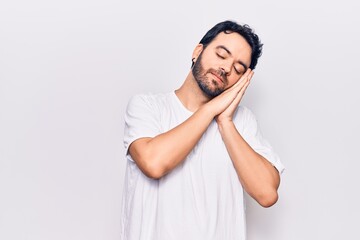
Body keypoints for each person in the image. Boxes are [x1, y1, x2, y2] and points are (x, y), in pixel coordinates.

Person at [120, 20, 285, 240]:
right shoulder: (148, 107)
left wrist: (225, 122)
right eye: (221, 55)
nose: (226, 69)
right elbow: (154, 163)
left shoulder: (242, 122)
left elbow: (267, 193)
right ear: (198, 51)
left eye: (238, 69)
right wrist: (210, 111)